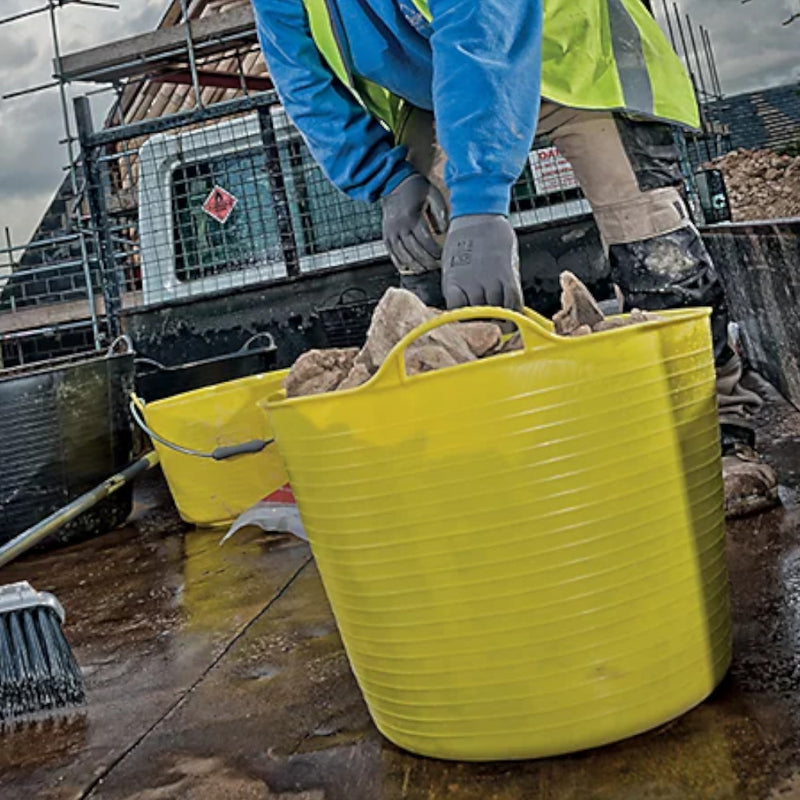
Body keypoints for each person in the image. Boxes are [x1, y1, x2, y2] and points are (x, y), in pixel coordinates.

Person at [252, 0, 778, 516]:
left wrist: (480, 203)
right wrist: (386, 179)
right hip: (444, 85)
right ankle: (485, 450)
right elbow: (304, 81)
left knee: (652, 241)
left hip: (570, 49)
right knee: (426, 251)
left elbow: (482, 23)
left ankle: (718, 432)